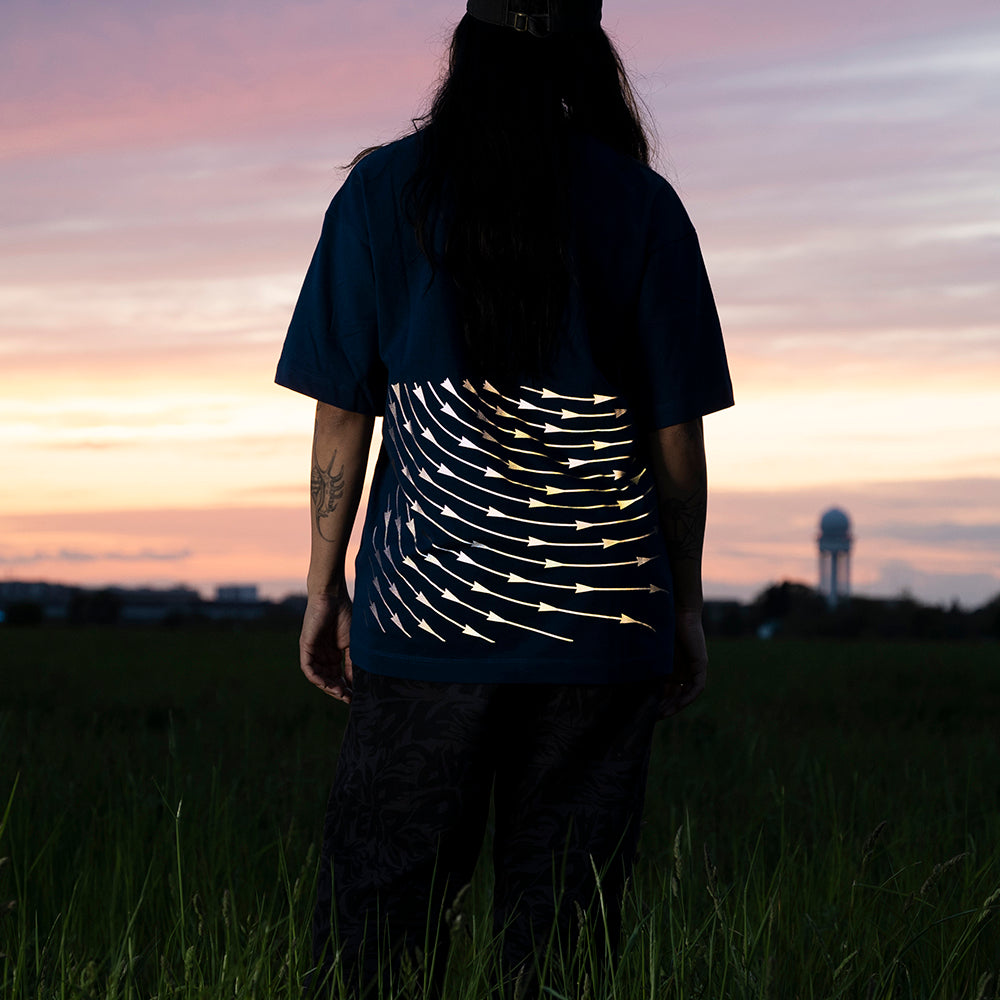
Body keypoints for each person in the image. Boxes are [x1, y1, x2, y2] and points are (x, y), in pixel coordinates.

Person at [275, 1, 733, 995]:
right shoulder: (640, 205)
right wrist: (685, 607)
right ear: (590, 54)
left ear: (465, 52)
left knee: (379, 926)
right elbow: (676, 448)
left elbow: (342, 419)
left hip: (422, 626)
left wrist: (323, 588)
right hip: (603, 627)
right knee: (565, 929)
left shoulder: (382, 194)